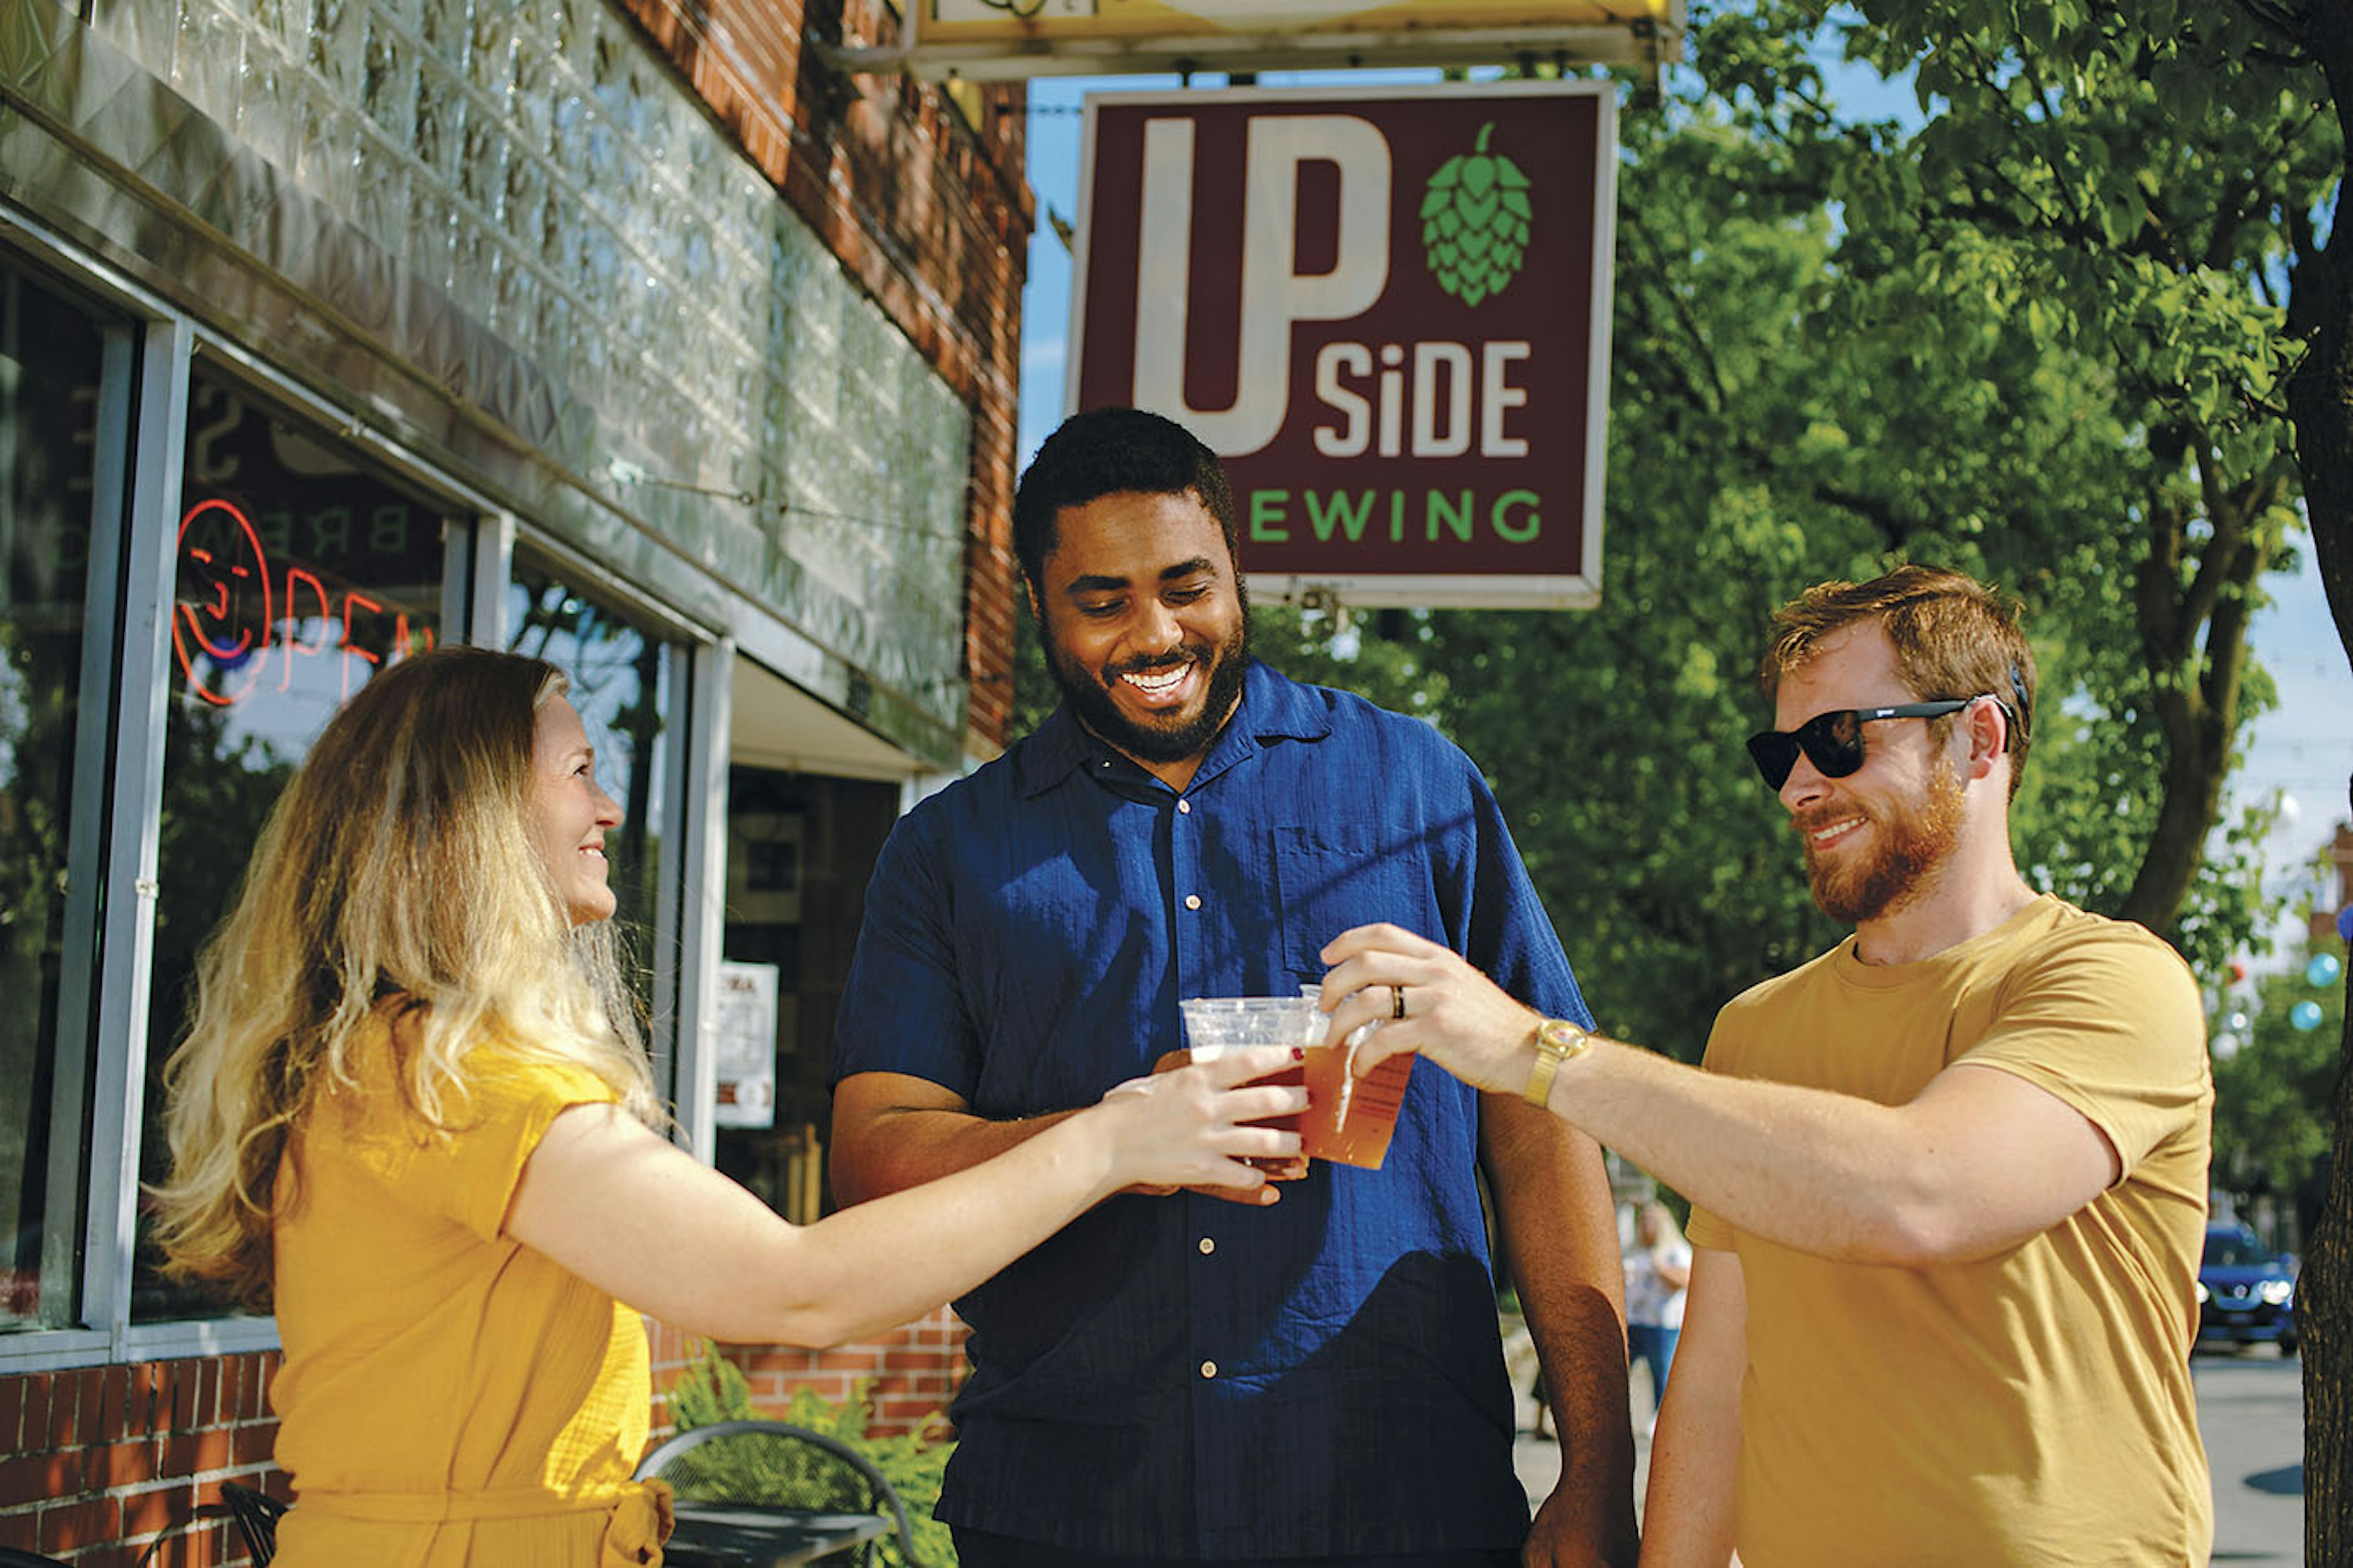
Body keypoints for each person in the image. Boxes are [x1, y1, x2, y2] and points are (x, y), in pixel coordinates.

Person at [151, 645, 1305, 1567]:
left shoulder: (390, 1060)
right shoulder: (458, 1073)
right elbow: (792, 1287)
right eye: (578, 768)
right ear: (473, 811)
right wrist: (1116, 1135)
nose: (608, 804)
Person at [828, 407, 1638, 1567]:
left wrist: (1596, 1467)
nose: (1154, 631)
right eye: (1103, 600)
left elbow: (1543, 1118)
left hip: (1398, 1502)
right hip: (1074, 1511)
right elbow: (875, 1155)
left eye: (1186, 585)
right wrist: (1114, 1132)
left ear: (1236, 574)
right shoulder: (948, 850)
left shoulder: (1420, 787)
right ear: (1038, 608)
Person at [1317, 566, 2213, 1566]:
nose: (1796, 785)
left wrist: (1532, 1050)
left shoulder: (2114, 981)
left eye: (1837, 739)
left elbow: (1920, 1193)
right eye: (1778, 751)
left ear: (1980, 737)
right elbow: (1713, 1381)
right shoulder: (1756, 1028)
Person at [1620, 1202, 1689, 1430]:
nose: (1644, 1226)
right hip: (1636, 1321)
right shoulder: (1638, 1252)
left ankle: (1660, 1421)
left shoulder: (1676, 1252)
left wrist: (1660, 1267)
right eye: (1642, 1221)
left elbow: (1685, 1281)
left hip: (1663, 1324)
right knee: (1618, 1370)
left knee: (1662, 1374)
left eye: (1649, 1221)